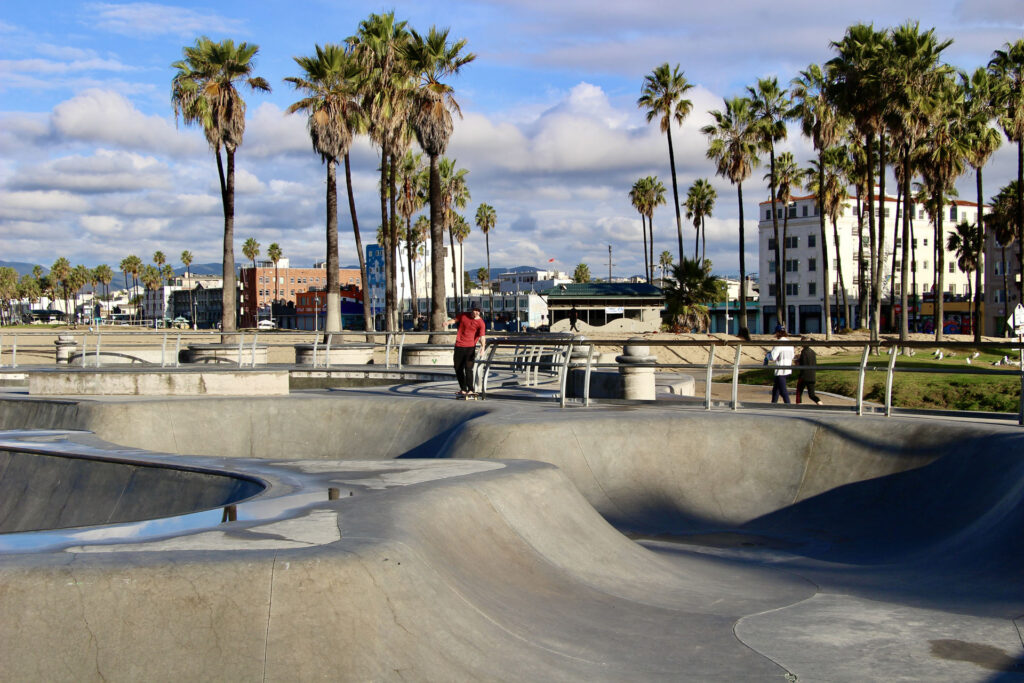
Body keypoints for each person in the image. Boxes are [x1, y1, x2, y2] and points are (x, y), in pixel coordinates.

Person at [446, 306, 486, 396]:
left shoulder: (481, 323)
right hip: (459, 345)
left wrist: (482, 348)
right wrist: (447, 322)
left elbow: (482, 337)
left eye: (478, 311)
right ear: (471, 310)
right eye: (475, 310)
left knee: (468, 369)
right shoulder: (464, 315)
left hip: (470, 347)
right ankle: (463, 389)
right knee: (457, 368)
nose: (476, 312)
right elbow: (455, 320)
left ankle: (471, 389)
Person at [768, 324, 794, 404]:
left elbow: (773, 357)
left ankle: (788, 405)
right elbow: (792, 356)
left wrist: (767, 355)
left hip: (780, 369)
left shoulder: (778, 343)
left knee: (783, 390)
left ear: (777, 333)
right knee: (776, 389)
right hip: (787, 368)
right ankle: (773, 403)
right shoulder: (790, 343)